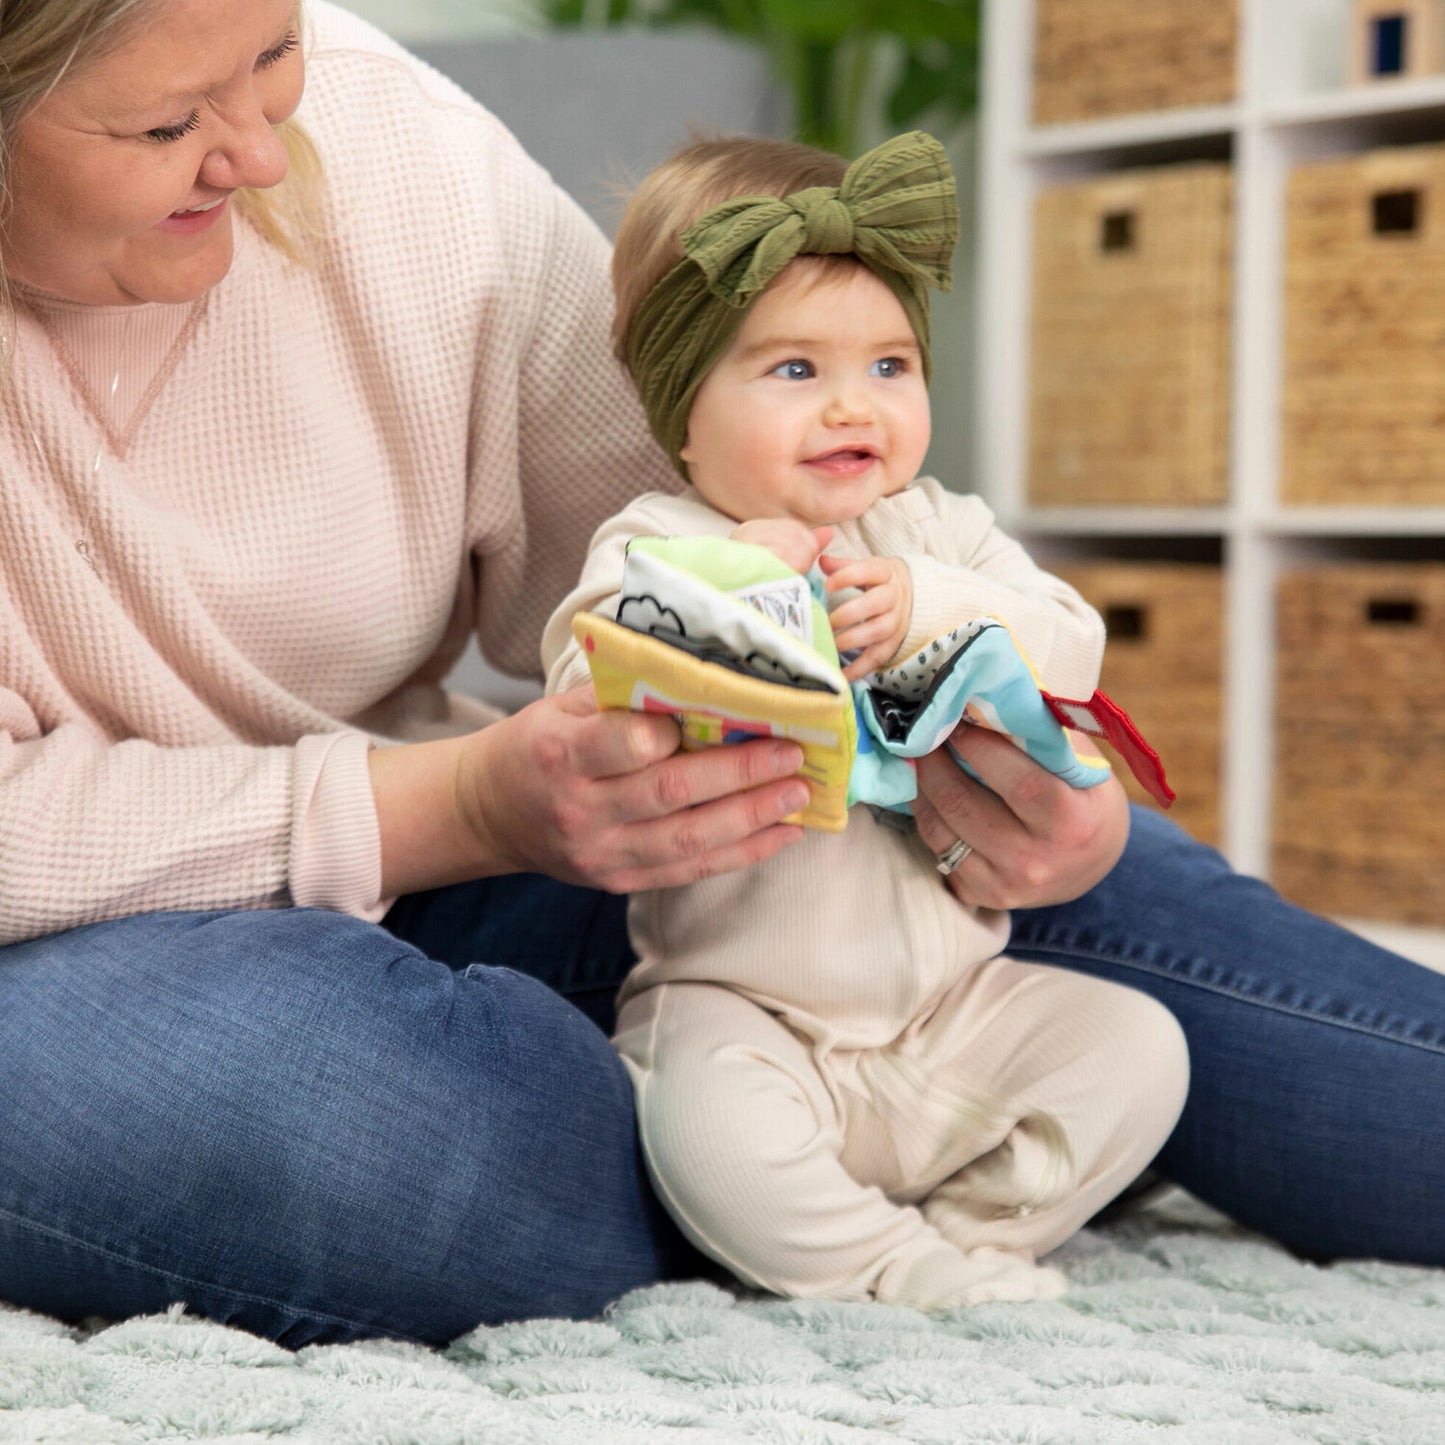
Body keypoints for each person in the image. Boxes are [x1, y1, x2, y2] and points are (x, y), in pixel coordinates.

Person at [0, 0, 1437, 1354]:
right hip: (84, 931)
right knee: (420, 1136)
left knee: (1108, 925)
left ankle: (790, 1158)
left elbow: (695, 510)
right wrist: (464, 804)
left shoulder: (397, 155)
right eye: (167, 123)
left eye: (272, 52)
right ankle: (797, 1175)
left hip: (549, 863)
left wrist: (1027, 789)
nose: (262, 154)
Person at [541, 131, 1189, 1311]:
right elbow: (583, 675)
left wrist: (930, 604)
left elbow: (1073, 640)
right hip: (748, 1010)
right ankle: (882, 1265)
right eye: (794, 368)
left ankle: (970, 1230)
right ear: (683, 407)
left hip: (949, 1013)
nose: (853, 403)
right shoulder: (656, 540)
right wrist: (737, 587)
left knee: (1139, 1045)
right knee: (703, 1121)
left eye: (889, 364)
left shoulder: (937, 532)